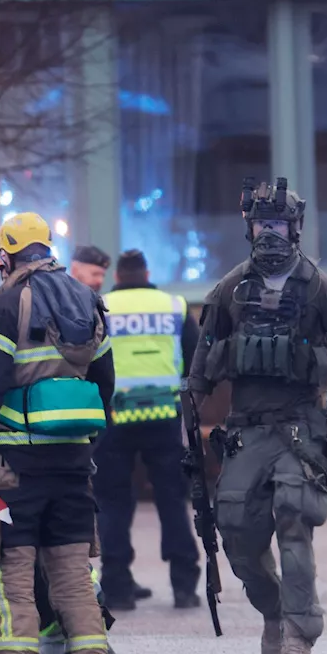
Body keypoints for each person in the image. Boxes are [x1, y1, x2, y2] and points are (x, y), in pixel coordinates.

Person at [187, 178, 327, 654]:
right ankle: (273, 611)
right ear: (248, 229)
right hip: (246, 429)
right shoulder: (231, 289)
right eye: (261, 225)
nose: (268, 234)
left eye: (277, 225)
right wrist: (186, 418)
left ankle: (299, 632)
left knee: (293, 521)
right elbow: (203, 364)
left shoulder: (320, 288)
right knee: (235, 532)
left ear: (294, 229)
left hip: (300, 427)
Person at [0, 211, 114, 654]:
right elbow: (105, 380)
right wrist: (88, 439)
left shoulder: (7, 303)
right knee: (71, 564)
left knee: (11, 567)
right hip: (72, 458)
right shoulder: (87, 299)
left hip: (17, 462)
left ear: (6, 255)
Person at [94, 248, 202, 611]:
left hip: (114, 417)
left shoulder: (102, 305)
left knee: (113, 502)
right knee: (172, 500)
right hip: (163, 415)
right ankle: (184, 585)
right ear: (147, 273)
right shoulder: (173, 306)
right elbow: (195, 356)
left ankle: (118, 587)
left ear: (118, 277)